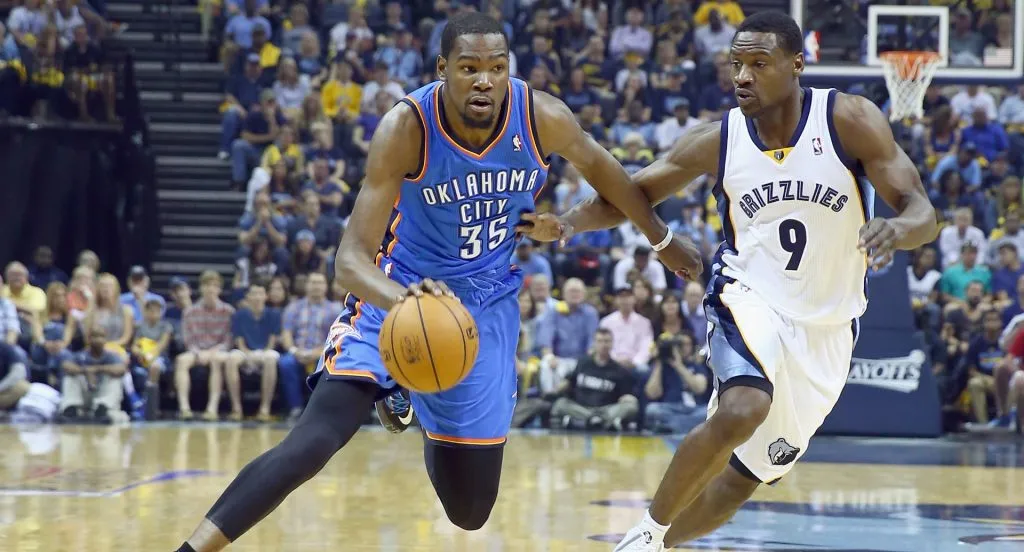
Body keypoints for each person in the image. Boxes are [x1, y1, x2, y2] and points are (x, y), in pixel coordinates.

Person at [174, 12, 697, 552]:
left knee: (470, 511)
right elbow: (349, 262)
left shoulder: (543, 118)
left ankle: (414, 390)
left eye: (497, 68)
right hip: (399, 293)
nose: (485, 80)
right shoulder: (407, 128)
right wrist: (407, 304)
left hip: (485, 305)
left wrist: (651, 238)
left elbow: (619, 187)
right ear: (443, 68)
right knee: (314, 441)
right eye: (469, 68)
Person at [519, 11, 937, 551]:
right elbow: (632, 193)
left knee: (743, 480)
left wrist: (898, 229)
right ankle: (646, 532)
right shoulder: (720, 139)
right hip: (749, 295)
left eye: (759, 64)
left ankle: (659, 546)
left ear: (796, 65)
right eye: (736, 63)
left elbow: (922, 211)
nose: (742, 75)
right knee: (743, 408)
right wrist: (566, 224)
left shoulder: (848, 120)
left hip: (829, 326)